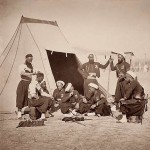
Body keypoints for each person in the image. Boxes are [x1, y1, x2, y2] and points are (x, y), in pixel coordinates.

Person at [16, 54, 36, 119]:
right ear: (26, 58)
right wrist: (31, 73)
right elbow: (22, 73)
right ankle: (19, 113)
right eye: (29, 59)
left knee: (30, 97)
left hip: (30, 83)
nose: (30, 60)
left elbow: (34, 74)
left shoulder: (32, 66)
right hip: (23, 83)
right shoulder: (22, 66)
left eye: (31, 59)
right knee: (21, 96)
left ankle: (31, 113)